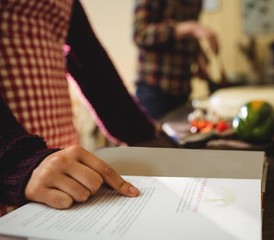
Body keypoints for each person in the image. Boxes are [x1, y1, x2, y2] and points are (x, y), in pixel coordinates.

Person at [0, 0, 158, 216]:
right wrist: (17, 162)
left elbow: (93, 64)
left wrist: (146, 136)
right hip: (13, 167)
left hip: (58, 155)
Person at [133, 0, 220, 120]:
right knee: (153, 137)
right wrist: (190, 28)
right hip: (154, 89)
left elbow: (188, 36)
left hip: (182, 89)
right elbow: (140, 34)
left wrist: (198, 57)